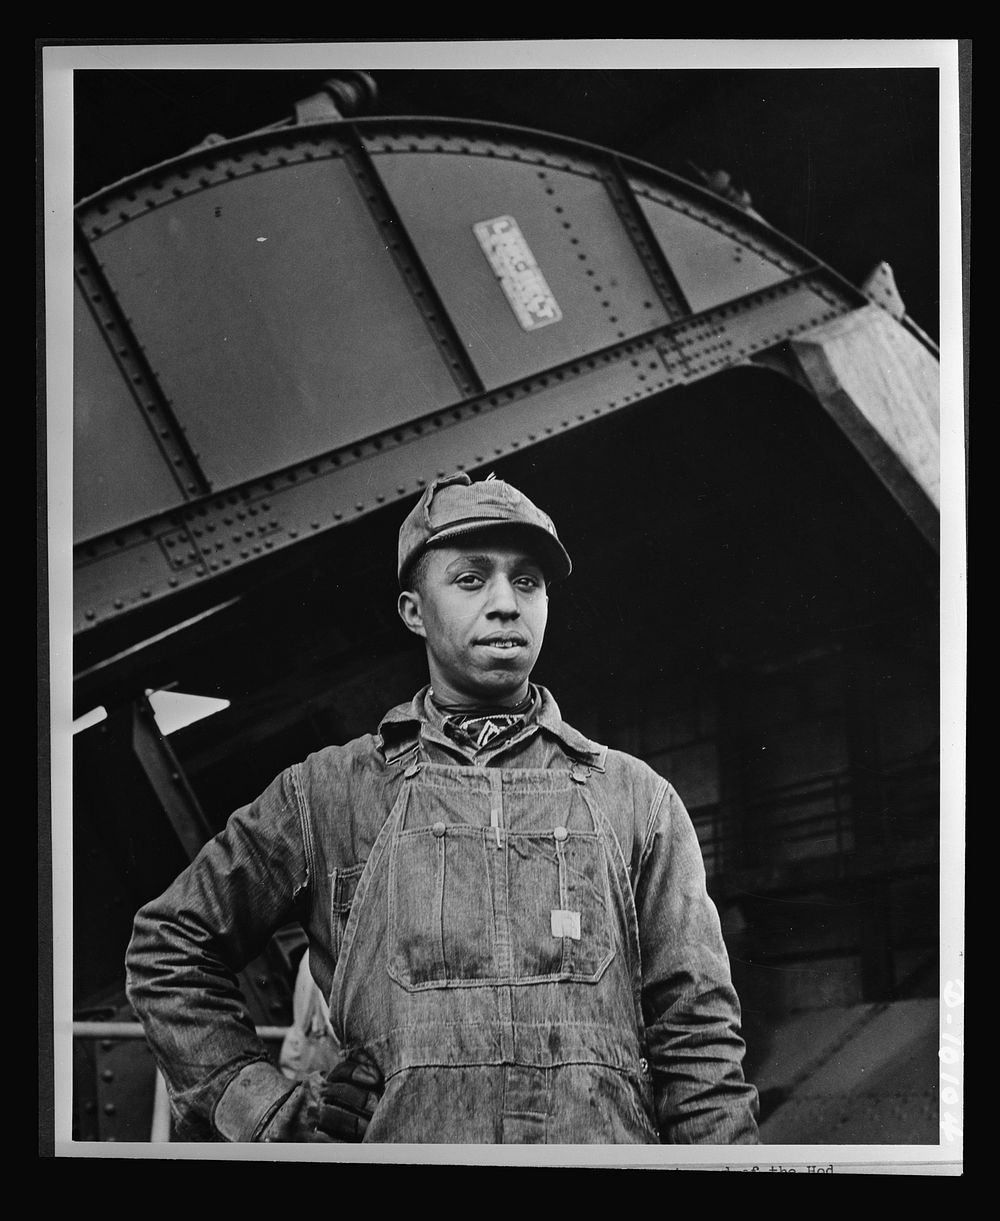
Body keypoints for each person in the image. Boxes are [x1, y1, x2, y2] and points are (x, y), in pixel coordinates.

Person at [126, 472, 760, 1144]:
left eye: (527, 581)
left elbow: (697, 1037)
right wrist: (266, 1111)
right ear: (413, 610)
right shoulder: (328, 793)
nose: (506, 604)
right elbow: (168, 944)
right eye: (470, 578)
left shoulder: (637, 800)